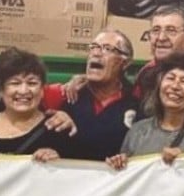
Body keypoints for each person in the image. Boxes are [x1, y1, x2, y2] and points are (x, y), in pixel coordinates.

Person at [106, 51, 184, 169]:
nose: (175, 86)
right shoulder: (137, 131)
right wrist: (118, 164)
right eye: (170, 78)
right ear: (158, 86)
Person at [0, 47, 71, 159]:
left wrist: (58, 160)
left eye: (32, 83)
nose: (23, 91)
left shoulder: (57, 129)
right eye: (15, 83)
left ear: (42, 90)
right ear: (1, 90)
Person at [42, 29, 139, 161]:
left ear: (125, 63)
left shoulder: (136, 101)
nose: (96, 53)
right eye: (93, 47)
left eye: (107, 49)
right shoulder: (67, 94)